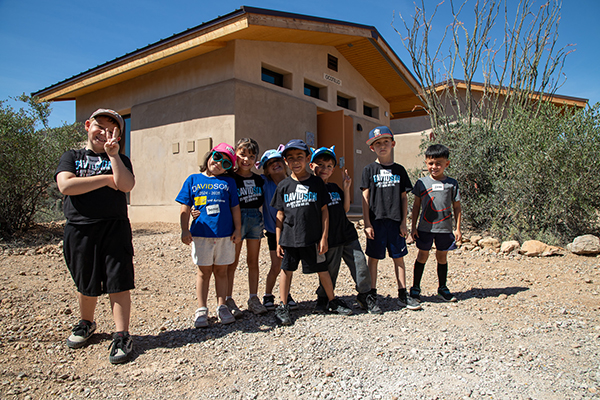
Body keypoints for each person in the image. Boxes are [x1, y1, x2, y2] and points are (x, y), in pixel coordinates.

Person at [55, 108, 135, 364]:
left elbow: (125, 185)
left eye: (112, 131)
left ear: (118, 137)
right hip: (79, 228)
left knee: (118, 281)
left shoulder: (121, 159)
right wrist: (104, 180)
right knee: (85, 280)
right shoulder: (72, 156)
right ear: (88, 126)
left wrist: (113, 158)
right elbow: (66, 185)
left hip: (115, 227)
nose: (104, 133)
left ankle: (122, 334)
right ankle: (86, 323)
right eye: (99, 126)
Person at [271, 139, 352, 325]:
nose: (295, 161)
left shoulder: (316, 183)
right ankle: (283, 305)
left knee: (323, 270)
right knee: (286, 271)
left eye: (300, 157)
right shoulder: (283, 186)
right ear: (285, 161)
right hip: (290, 238)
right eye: (290, 158)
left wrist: (324, 237)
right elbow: (280, 215)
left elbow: (325, 211)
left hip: (313, 238)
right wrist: (278, 241)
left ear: (308, 159)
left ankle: (332, 301)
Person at [309, 146, 381, 314]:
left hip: (347, 234)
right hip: (329, 238)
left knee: (360, 265)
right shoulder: (311, 188)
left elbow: (345, 209)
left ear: (333, 169)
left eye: (328, 166)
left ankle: (364, 296)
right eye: (320, 164)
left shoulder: (334, 188)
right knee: (330, 270)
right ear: (312, 166)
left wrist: (346, 188)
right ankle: (324, 297)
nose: (324, 169)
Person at [176, 143, 241, 328]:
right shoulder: (193, 179)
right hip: (201, 234)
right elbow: (185, 206)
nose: (219, 163)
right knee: (204, 272)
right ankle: (202, 309)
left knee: (222, 271)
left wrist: (238, 229)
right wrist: (184, 229)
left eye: (226, 163)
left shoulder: (229, 183)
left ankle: (221, 306)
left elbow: (235, 207)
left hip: (225, 235)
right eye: (217, 157)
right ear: (210, 155)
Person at [360, 126, 421, 311]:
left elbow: (404, 197)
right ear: (372, 148)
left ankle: (403, 294)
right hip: (376, 223)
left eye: (386, 142)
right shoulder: (369, 170)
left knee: (399, 258)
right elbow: (365, 198)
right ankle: (371, 295)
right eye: (377, 143)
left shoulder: (400, 170)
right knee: (373, 259)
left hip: (395, 223)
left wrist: (404, 222)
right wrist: (367, 224)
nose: (382, 146)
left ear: (393, 144)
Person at [410, 144, 462, 303]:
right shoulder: (421, 183)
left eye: (439, 163)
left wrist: (458, 229)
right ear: (426, 163)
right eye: (431, 163)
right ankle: (415, 288)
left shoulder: (452, 184)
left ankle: (443, 288)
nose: (434, 167)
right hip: (425, 228)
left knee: (442, 256)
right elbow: (416, 206)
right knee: (422, 255)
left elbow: (457, 207)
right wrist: (413, 227)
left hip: (444, 229)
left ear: (447, 163)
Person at [225, 138, 268, 317]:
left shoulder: (259, 180)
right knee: (232, 262)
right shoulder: (229, 178)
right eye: (242, 154)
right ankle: (227, 299)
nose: (246, 159)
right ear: (236, 154)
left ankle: (253, 298)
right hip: (236, 221)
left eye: (251, 156)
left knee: (253, 261)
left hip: (255, 220)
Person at [257, 145, 299, 311]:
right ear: (266, 170)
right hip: (274, 232)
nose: (275, 164)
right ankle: (268, 294)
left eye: (278, 160)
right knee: (276, 265)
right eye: (270, 163)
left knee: (287, 265)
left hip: (291, 231)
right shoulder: (264, 183)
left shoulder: (293, 181)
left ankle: (285, 294)